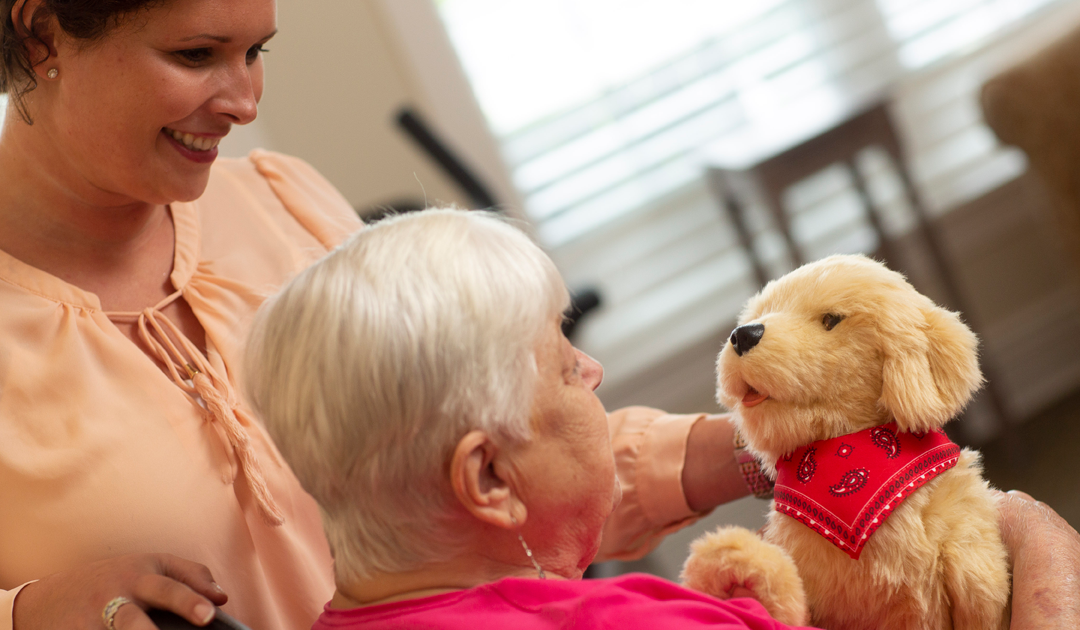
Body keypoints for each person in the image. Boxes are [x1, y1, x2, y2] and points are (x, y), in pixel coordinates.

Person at [0, 0, 1075, 628]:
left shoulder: (280, 200)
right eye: (196, 55)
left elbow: (458, 487)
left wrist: (769, 447)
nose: (243, 97)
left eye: (257, 50)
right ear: (40, 31)